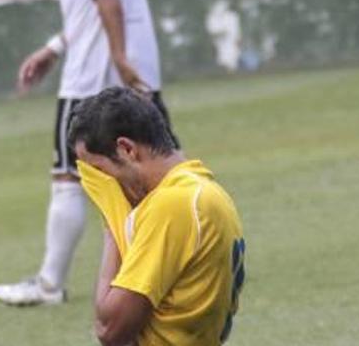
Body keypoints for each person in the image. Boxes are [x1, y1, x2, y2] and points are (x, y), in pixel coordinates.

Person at [0, 0, 182, 306]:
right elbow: (90, 6)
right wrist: (55, 48)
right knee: (161, 168)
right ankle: (186, 261)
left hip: (94, 80)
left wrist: (115, 55)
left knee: (67, 177)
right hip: (135, 68)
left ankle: (49, 284)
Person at [69, 87, 246, 346]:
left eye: (99, 171)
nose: (103, 185)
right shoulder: (206, 192)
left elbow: (110, 329)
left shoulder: (172, 205)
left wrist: (112, 220)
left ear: (127, 149)